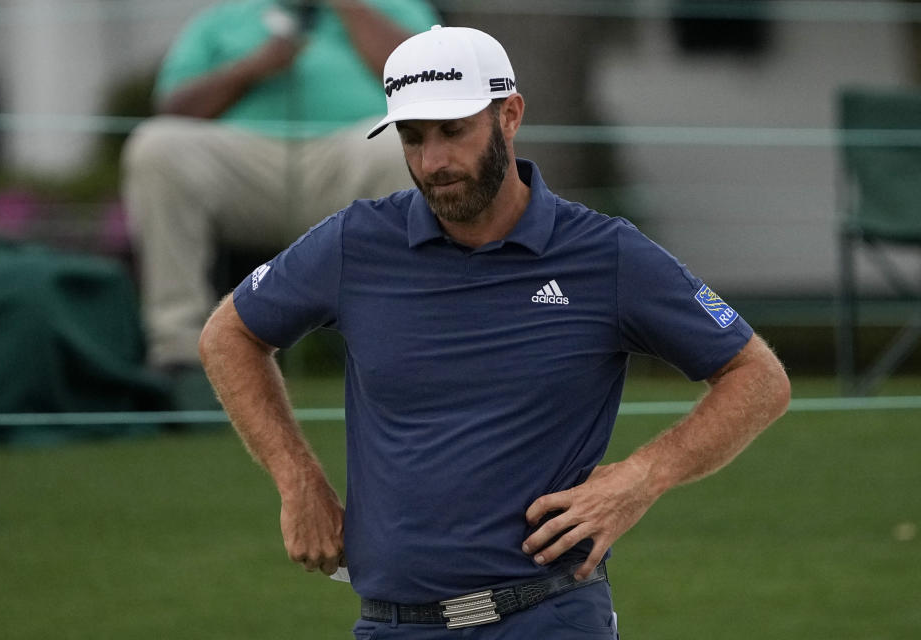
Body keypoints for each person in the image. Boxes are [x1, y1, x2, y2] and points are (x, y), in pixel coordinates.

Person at [198, 25, 792, 639]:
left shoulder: (605, 255)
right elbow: (229, 334)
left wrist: (642, 476)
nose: (433, 162)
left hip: (550, 616)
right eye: (413, 138)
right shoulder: (355, 242)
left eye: (454, 131)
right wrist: (298, 482)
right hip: (393, 625)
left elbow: (759, 378)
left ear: (509, 116)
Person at [121, 0, 439, 405]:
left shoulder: (399, 7)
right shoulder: (222, 17)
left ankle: (410, 346)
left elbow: (430, 87)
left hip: (355, 154)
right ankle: (179, 358)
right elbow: (173, 109)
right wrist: (251, 68)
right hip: (246, 166)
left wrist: (348, 7)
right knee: (157, 146)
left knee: (408, 145)